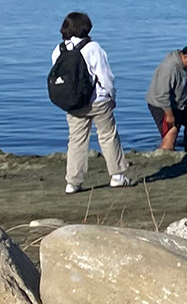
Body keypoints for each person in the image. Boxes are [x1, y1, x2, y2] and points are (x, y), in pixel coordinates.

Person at [48, 12, 130, 193]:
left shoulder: (59, 49)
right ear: (86, 27)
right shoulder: (93, 47)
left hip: (73, 102)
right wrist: (111, 96)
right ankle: (117, 175)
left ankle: (73, 182)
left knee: (76, 141)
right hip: (98, 100)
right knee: (108, 136)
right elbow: (105, 76)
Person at [146, 43, 187, 152]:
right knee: (172, 132)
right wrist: (169, 115)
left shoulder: (186, 66)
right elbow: (161, 95)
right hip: (161, 104)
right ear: (185, 56)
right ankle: (164, 154)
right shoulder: (169, 68)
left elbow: (185, 85)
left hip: (181, 104)